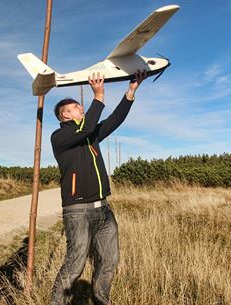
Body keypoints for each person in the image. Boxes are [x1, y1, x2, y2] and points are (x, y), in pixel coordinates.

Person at [50, 71, 148, 305]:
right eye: (76, 107)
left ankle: (101, 299)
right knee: (75, 263)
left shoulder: (90, 135)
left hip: (103, 209)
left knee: (109, 260)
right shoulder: (59, 137)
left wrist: (130, 93)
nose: (81, 108)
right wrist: (99, 96)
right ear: (65, 115)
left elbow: (114, 120)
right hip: (78, 211)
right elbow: (85, 128)